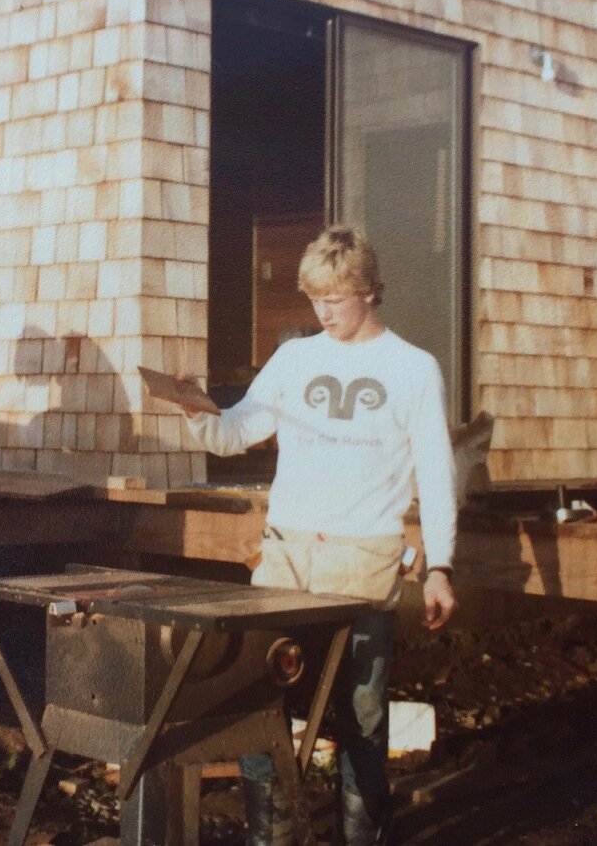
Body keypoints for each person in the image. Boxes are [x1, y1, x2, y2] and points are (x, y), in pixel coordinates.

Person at [177, 226, 457, 846]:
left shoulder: (413, 368)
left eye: (338, 298)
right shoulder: (295, 359)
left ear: (371, 292)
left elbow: (437, 471)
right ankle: (271, 839)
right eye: (315, 299)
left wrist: (441, 565)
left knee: (361, 715)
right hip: (286, 561)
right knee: (258, 710)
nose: (324, 312)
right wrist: (198, 412)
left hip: (363, 566)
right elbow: (235, 433)